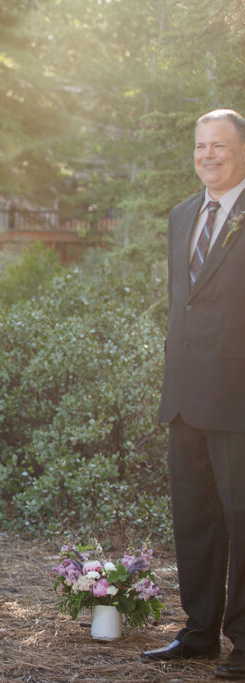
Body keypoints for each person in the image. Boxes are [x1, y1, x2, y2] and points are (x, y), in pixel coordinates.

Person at [144, 109, 245, 679]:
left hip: (238, 398)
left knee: (244, 520)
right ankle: (199, 632)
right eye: (201, 146)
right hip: (183, 398)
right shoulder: (182, 214)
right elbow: (182, 304)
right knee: (195, 521)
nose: (208, 155)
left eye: (221, 146)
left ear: (243, 151)